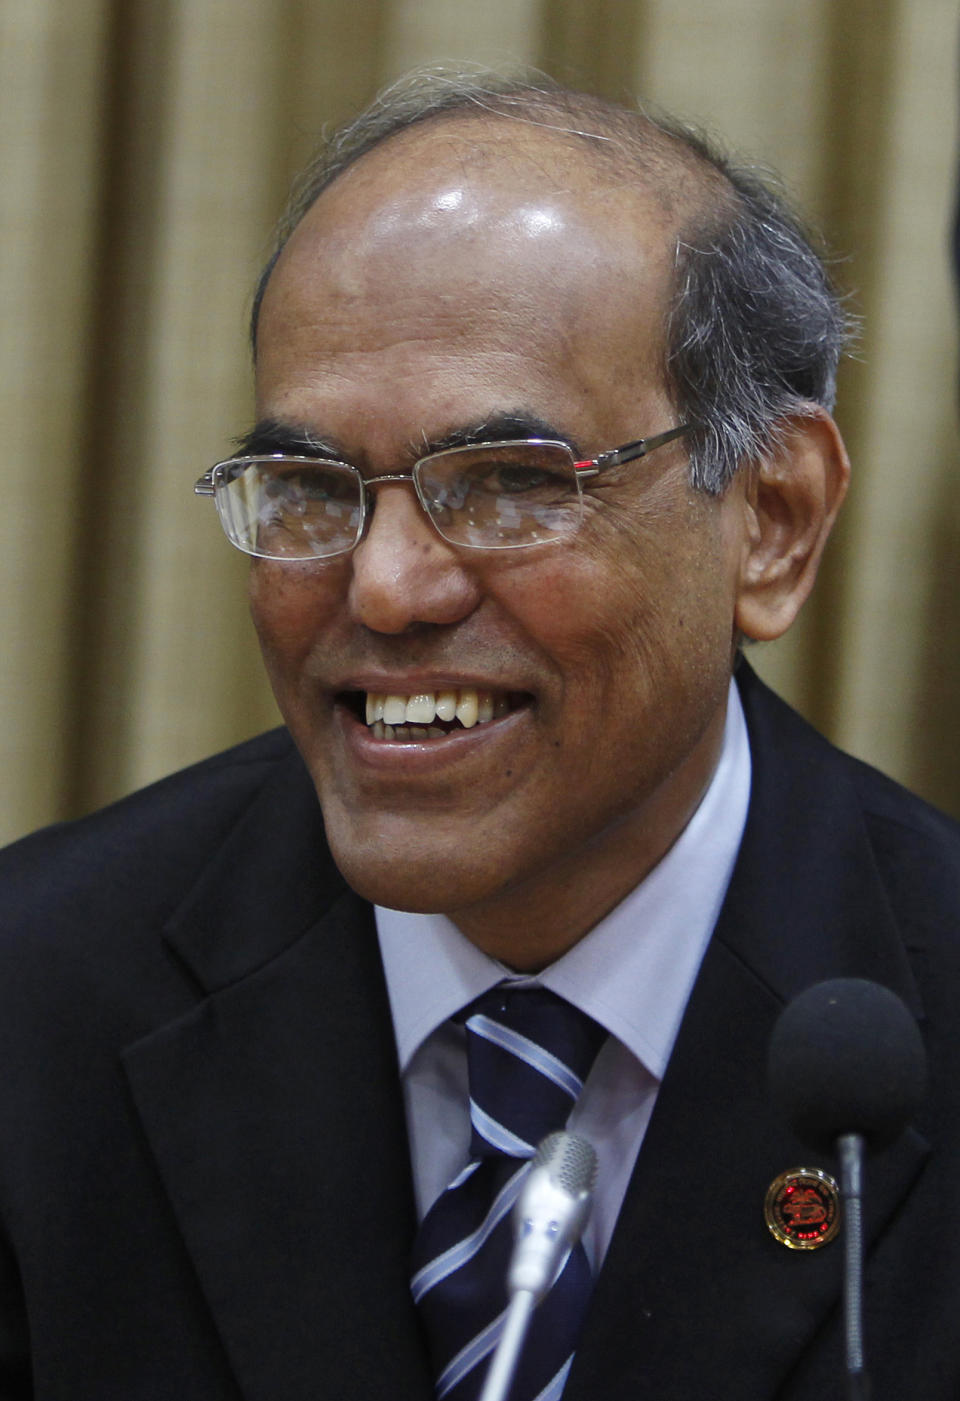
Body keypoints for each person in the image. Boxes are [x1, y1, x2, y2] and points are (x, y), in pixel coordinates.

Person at [1, 71, 958, 1401]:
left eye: (509, 485)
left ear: (774, 519)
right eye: (310, 488)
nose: (385, 588)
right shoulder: (36, 997)